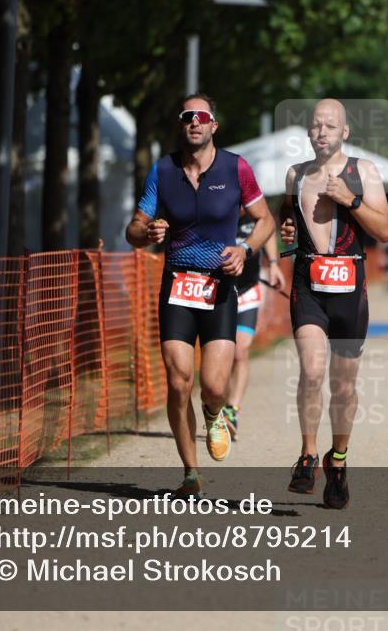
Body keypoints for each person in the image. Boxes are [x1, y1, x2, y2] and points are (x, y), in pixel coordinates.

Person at [126, 93, 275, 497]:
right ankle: (190, 473)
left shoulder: (236, 168)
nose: (195, 121)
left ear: (214, 125)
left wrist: (245, 250)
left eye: (203, 115)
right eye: (188, 116)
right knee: (178, 381)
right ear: (181, 126)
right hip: (177, 283)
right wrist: (150, 232)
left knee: (211, 384)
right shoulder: (163, 170)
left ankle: (214, 412)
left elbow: (266, 220)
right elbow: (133, 231)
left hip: (219, 286)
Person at [279, 99, 388, 509]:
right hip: (308, 286)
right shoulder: (296, 174)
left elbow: (385, 231)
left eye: (330, 125)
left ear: (344, 133)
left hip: (350, 290)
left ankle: (337, 460)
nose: (322, 131)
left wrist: (351, 200)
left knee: (343, 387)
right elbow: (286, 222)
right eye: (316, 125)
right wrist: (287, 228)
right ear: (309, 133)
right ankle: (308, 454)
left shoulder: (363, 172)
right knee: (311, 371)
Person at [220, 211, 286, 440]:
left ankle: (232, 410)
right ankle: (219, 402)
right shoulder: (218, 204)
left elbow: (268, 230)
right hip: (220, 292)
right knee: (223, 354)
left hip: (248, 290)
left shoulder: (254, 209)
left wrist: (274, 264)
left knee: (240, 351)